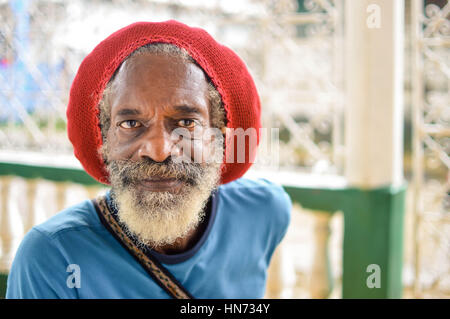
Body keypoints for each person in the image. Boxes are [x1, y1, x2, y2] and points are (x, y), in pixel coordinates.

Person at [6, 20, 291, 299]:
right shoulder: (52, 256)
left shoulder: (264, 211)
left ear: (219, 135)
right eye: (131, 123)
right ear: (104, 140)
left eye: (186, 122)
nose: (159, 150)